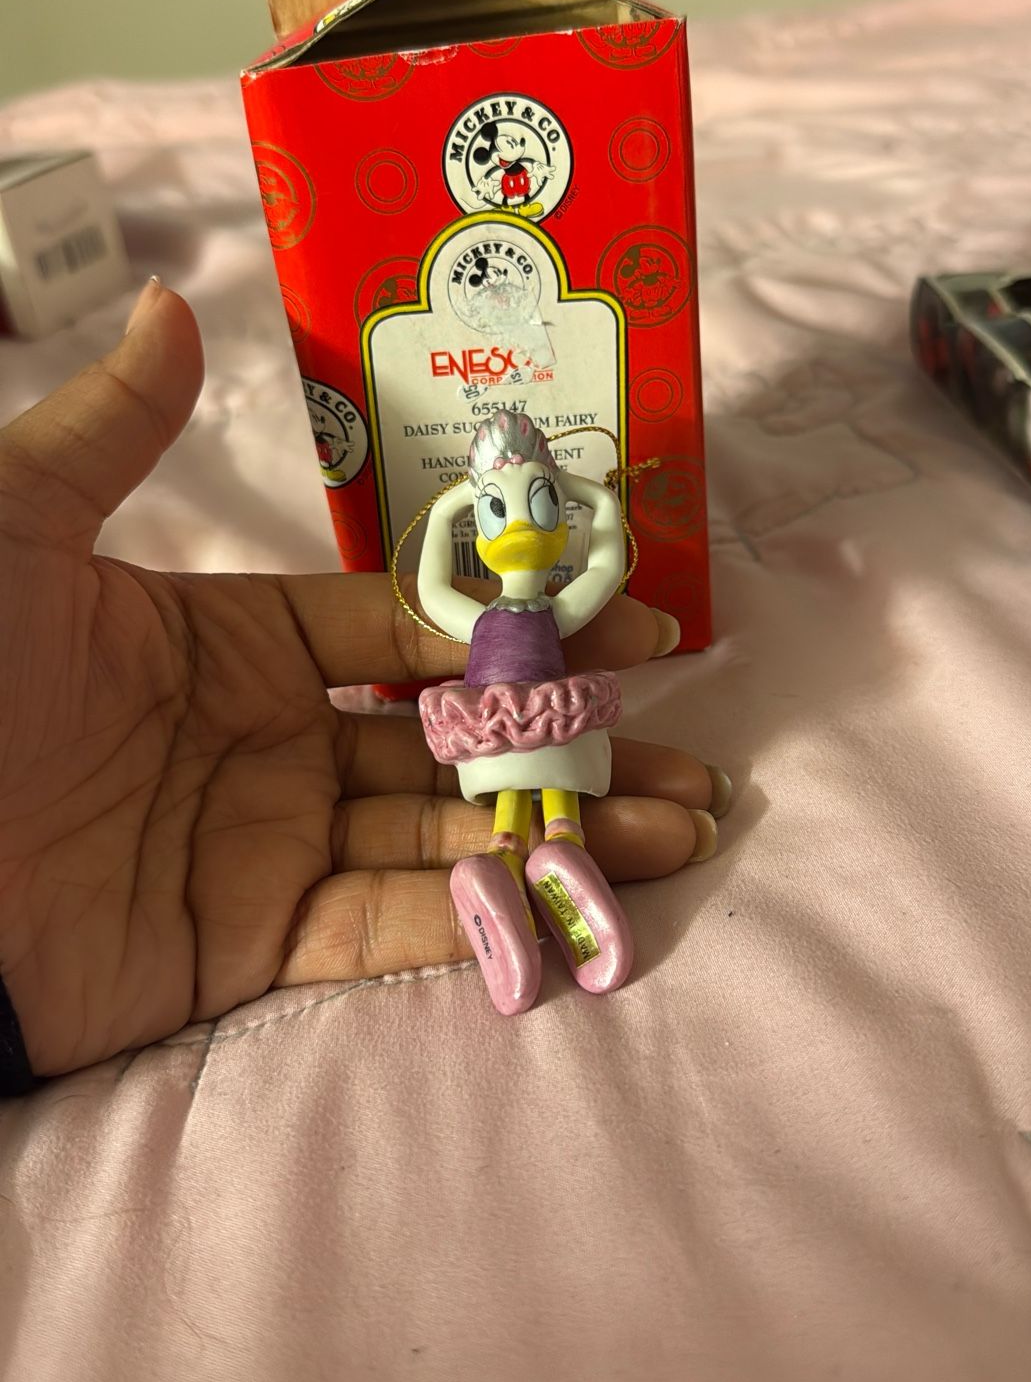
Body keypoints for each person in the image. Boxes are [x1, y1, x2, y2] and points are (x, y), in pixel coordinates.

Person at [0, 281, 725, 1089]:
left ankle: (545, 860)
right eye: (499, 510)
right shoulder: (501, 617)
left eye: (538, 505)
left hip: (533, 718)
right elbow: (453, 588)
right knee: (522, 811)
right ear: (477, 521)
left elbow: (595, 570)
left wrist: (571, 494)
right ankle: (518, 865)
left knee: (544, 807)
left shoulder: (542, 613)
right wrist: (481, 503)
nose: (520, 525)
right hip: (501, 720)